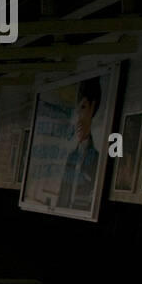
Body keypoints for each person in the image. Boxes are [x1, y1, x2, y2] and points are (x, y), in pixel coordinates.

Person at [56, 77, 101, 211]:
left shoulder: (98, 158)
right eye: (77, 109)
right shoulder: (68, 154)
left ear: (92, 107)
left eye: (83, 107)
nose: (79, 115)